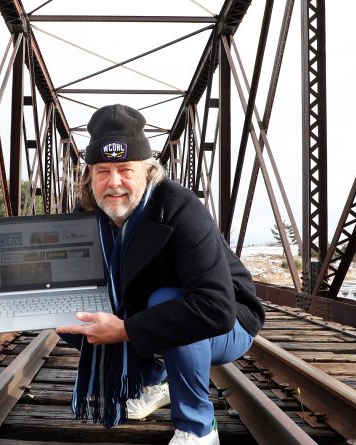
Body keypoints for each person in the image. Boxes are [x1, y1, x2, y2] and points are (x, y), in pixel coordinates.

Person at [50, 104, 266, 445]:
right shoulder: (87, 214)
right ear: (89, 176)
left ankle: (198, 428)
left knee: (166, 298)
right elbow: (64, 277)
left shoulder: (180, 207)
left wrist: (124, 330)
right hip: (146, 313)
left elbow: (216, 309)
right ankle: (154, 379)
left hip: (227, 322)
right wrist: (17, 285)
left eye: (125, 169)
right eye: (103, 171)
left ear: (148, 171)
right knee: (70, 314)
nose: (114, 182)